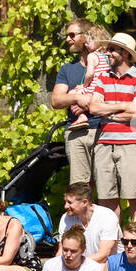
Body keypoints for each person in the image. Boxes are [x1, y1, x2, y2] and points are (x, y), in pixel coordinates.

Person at [78, 32, 136, 215]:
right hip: (104, 143)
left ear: (124, 53)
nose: (106, 53)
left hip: (131, 143)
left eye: (111, 49)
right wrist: (123, 106)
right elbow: (93, 108)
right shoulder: (102, 78)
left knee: (133, 197)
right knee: (106, 200)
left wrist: (107, 110)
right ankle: (112, 243)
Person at [51, 19, 98, 184]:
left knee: (108, 191)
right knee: (80, 188)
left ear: (86, 37)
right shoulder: (67, 69)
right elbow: (56, 100)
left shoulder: (106, 64)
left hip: (103, 129)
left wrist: (90, 101)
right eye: (67, 36)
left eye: (72, 35)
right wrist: (77, 98)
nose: (67, 40)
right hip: (76, 132)